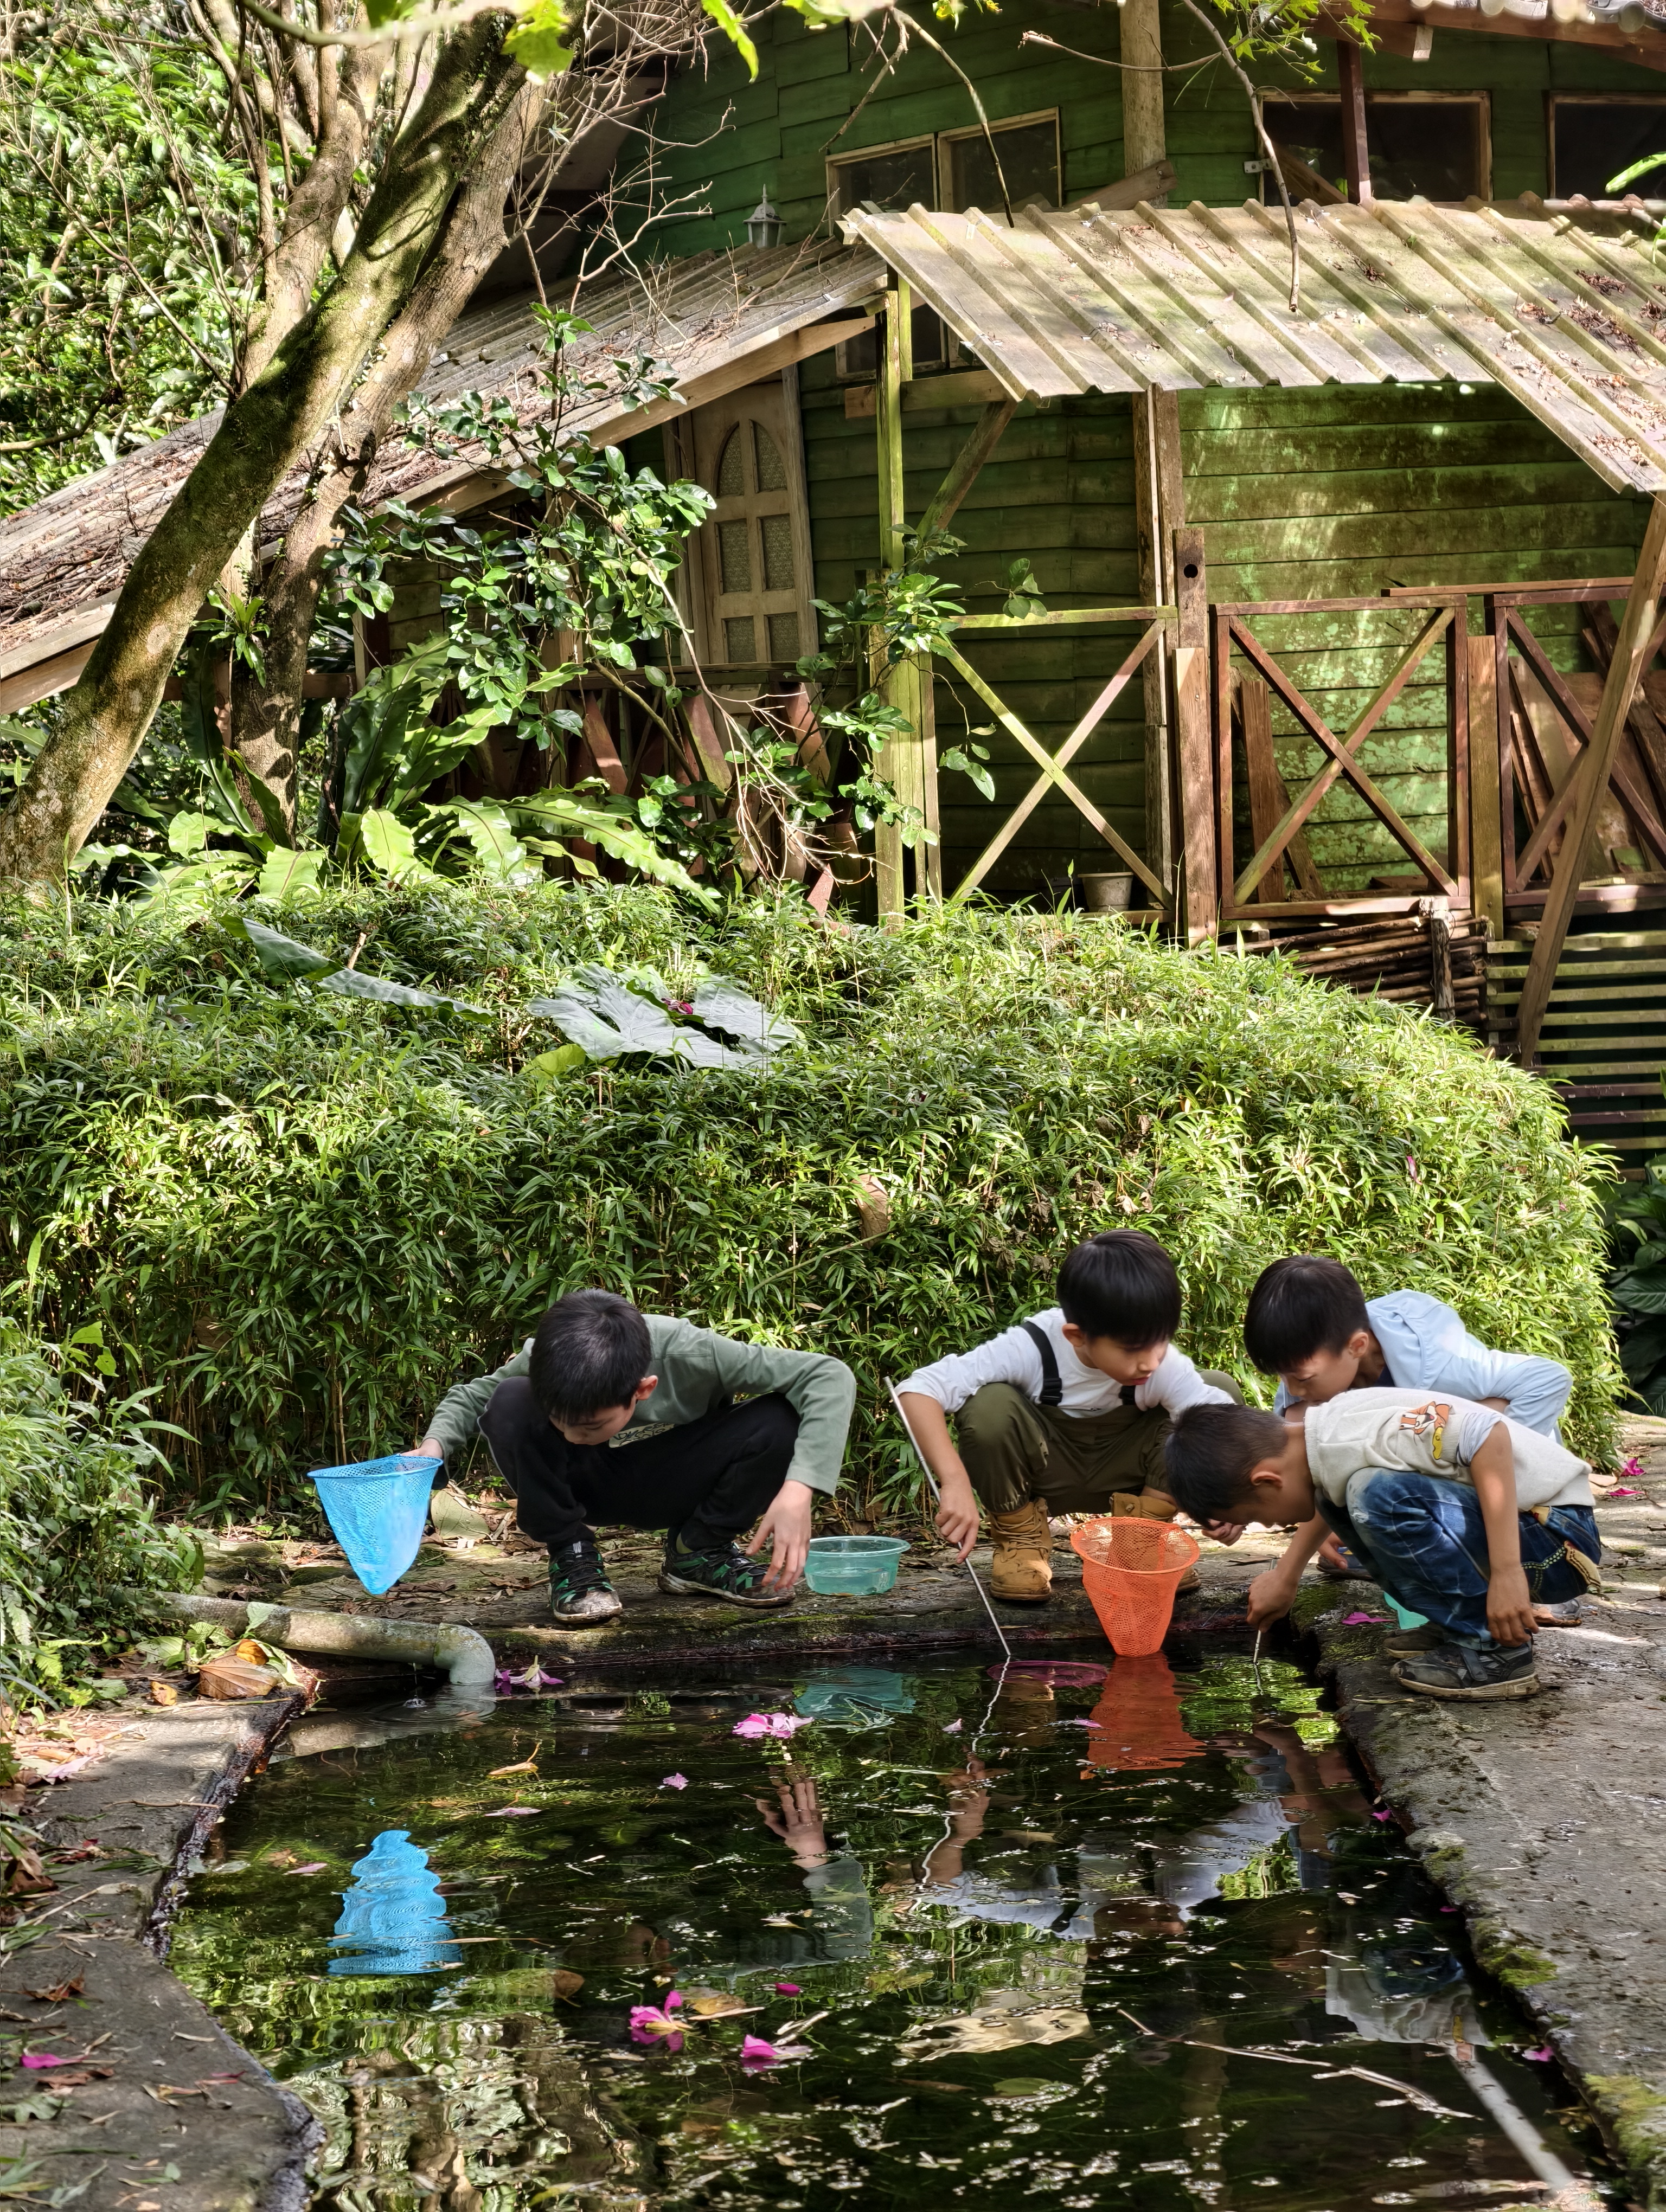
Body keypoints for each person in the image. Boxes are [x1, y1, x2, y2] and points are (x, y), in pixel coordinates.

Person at [417, 1289, 855, 1624]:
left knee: (781, 1416)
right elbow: (473, 1396)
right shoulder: (543, 1358)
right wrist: (431, 1449)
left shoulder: (695, 1353)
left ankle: (699, 1553)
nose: (572, 1434)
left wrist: (800, 1489)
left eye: (588, 1425)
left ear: (643, 1389)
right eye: (561, 1422)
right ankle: (573, 1556)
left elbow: (827, 1374)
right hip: (586, 1485)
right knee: (510, 1400)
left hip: (676, 1480)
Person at [1164, 1393, 1601, 1701]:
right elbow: (1322, 1495)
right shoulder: (1322, 1440)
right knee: (1340, 1497)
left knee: (1378, 1496)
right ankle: (1458, 1623)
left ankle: (1498, 1652)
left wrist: (1507, 1573)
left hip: (1556, 1542)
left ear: (1267, 1480)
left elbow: (1489, 1436)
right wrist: (1286, 1575)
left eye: (1260, 1517)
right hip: (1532, 1537)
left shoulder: (1359, 1436)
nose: (1274, 1524)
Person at [896, 1230, 1240, 1603]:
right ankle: (1020, 1543)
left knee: (1216, 1397)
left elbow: (1221, 1425)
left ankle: (1142, 1540)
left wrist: (1228, 1497)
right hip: (1045, 1476)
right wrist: (954, 1481)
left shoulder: (1159, 1364)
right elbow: (917, 1391)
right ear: (1076, 1336)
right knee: (989, 1405)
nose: (1152, 1361)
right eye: (1134, 1349)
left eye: (1162, 1341)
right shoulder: (1032, 1347)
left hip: (1128, 1474)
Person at [1238, 1257, 1574, 1618]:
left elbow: (1549, 1379)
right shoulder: (1307, 1390)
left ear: (1357, 1346)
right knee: (1308, 1428)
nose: (1290, 1390)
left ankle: (1516, 1575)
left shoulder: (1442, 1362)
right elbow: (1322, 1463)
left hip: (1526, 1509)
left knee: (1436, 1433)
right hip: (1438, 1481)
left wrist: (1503, 1477)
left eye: (1301, 1379)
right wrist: (1289, 1564)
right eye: (1281, 1378)